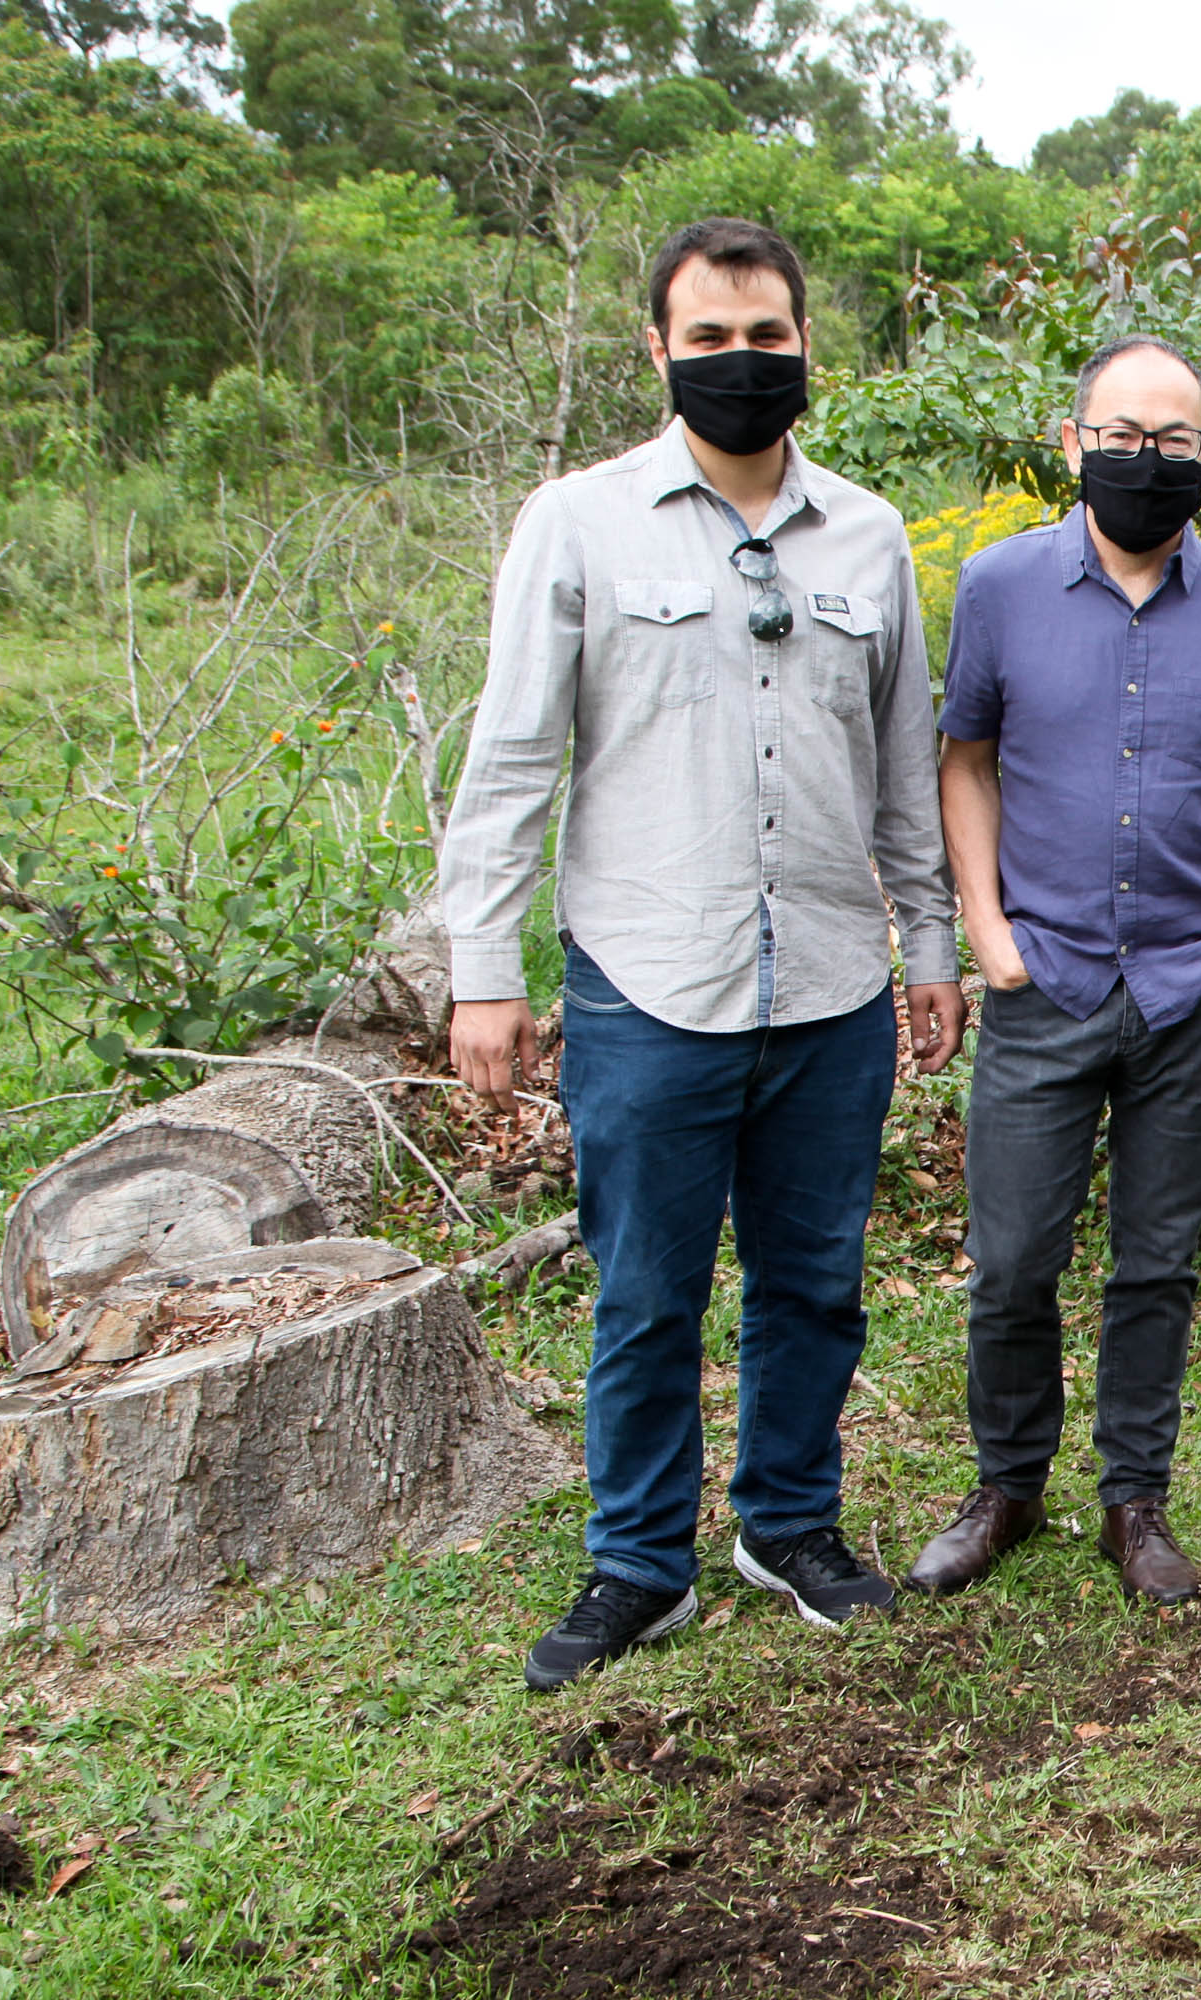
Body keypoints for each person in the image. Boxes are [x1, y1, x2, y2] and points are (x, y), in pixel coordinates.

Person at [441, 218, 966, 1691]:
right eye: (715, 340)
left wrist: (926, 941)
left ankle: (790, 1525)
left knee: (814, 1283)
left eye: (770, 338)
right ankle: (636, 1564)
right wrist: (484, 968)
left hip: (830, 987)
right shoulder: (579, 523)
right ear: (660, 351)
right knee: (646, 1290)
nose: (746, 363)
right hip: (645, 981)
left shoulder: (866, 536)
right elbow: (512, 761)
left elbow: (900, 766)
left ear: (807, 346)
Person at [905, 336, 1201, 1608]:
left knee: (1157, 1259)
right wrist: (986, 929)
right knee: (1015, 1254)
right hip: (1045, 983)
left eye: (1175, 439)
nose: (1148, 458)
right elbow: (962, 757)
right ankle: (1005, 1485)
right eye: (1123, 435)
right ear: (1073, 442)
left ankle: (1135, 1499)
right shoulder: (999, 588)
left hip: (1191, 989)